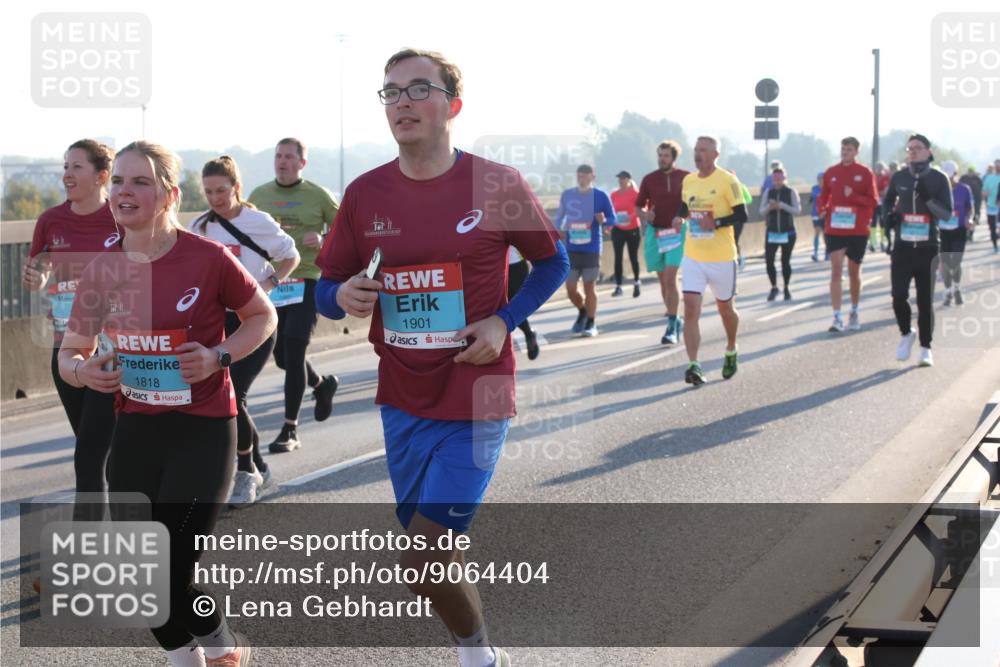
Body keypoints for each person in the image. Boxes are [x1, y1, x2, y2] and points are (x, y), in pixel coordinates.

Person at [314, 48, 567, 667]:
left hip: (478, 395)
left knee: (422, 558)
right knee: (434, 560)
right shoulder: (365, 193)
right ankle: (476, 645)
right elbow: (326, 287)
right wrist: (341, 293)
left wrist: (504, 322)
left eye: (417, 89)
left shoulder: (497, 183)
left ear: (453, 105)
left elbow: (551, 261)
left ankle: (478, 657)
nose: (401, 102)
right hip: (402, 397)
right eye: (390, 92)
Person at [59, 140, 277, 666]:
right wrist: (82, 372)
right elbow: (70, 352)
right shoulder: (102, 270)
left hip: (202, 429)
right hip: (135, 431)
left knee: (172, 567)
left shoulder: (207, 258)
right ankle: (207, 655)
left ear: (168, 195)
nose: (123, 192)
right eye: (118, 182)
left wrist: (219, 356)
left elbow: (262, 317)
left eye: (139, 182)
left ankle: (221, 649)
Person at [191, 156, 300, 507]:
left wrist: (269, 283)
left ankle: (245, 471)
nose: (215, 198)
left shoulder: (257, 221)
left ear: (236, 188)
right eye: (208, 192)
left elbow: (291, 255)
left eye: (221, 190)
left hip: (255, 320)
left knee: (235, 393)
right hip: (219, 321)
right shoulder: (201, 227)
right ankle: (258, 466)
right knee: (226, 394)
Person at [22, 139, 119, 513]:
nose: (66, 174)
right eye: (65, 166)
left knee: (89, 456)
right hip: (65, 346)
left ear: (102, 176)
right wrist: (36, 277)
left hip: (111, 349)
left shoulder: (121, 217)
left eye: (76, 167)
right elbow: (39, 272)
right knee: (90, 444)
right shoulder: (50, 220)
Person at [248, 138, 340, 453]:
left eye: (289, 157)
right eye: (278, 156)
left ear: (302, 163)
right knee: (283, 357)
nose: (282, 162)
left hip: (307, 278)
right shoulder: (259, 195)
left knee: (296, 348)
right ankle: (321, 384)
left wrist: (325, 237)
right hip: (271, 283)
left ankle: (290, 429)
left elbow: (346, 231)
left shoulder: (318, 195)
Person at [670, 136, 747, 386]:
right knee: (690, 309)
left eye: (703, 150)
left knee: (726, 310)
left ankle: (731, 348)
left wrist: (717, 223)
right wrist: (679, 219)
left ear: (715, 154)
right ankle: (694, 364)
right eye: (695, 150)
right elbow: (685, 206)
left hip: (722, 257)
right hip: (694, 256)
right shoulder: (689, 180)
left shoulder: (728, 180)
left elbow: (741, 214)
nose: (698, 154)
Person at [882, 134, 952, 367]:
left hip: (928, 247)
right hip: (902, 247)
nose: (912, 151)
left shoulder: (939, 179)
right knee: (898, 295)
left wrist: (928, 198)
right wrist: (887, 217)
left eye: (917, 148)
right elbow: (887, 201)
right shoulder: (899, 176)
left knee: (925, 301)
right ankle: (906, 333)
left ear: (928, 152)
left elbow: (946, 214)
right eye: (909, 148)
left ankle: (925, 348)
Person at [816, 137, 879, 333]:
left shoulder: (865, 173)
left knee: (854, 272)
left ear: (856, 152)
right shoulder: (831, 172)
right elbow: (823, 196)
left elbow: (874, 201)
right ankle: (836, 316)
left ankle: (854, 310)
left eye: (849, 149)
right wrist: (822, 209)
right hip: (835, 229)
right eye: (843, 149)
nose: (845, 152)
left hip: (858, 229)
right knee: (836, 270)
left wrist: (854, 196)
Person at [635, 140, 689, 344]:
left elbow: (691, 202)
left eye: (666, 155)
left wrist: (683, 217)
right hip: (656, 233)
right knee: (663, 280)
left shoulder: (685, 177)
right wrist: (644, 215)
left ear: (673, 158)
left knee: (670, 277)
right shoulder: (649, 179)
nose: (662, 159)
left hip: (676, 232)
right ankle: (675, 317)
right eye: (660, 155)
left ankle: (671, 325)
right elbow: (638, 207)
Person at [554, 164, 615, 337]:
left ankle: (591, 322)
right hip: (572, 248)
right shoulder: (568, 195)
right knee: (571, 288)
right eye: (579, 176)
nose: (582, 179)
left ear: (592, 177)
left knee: (589, 286)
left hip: (592, 248)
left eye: (586, 176)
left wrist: (604, 221)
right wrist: (558, 229)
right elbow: (559, 215)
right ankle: (582, 311)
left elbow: (613, 218)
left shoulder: (601, 196)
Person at [760, 167, 802, 301]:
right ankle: (773, 287)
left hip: (788, 232)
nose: (777, 182)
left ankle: (786, 287)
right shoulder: (769, 192)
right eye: (775, 179)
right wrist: (770, 207)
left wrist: (782, 206)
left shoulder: (791, 192)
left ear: (784, 179)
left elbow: (797, 211)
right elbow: (761, 211)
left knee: (785, 261)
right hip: (772, 232)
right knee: (769, 261)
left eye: (780, 179)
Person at [937, 160, 974, 307]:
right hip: (943, 230)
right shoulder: (937, 190)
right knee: (946, 263)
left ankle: (957, 287)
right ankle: (948, 292)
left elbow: (970, 208)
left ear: (956, 175)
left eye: (951, 177)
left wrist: (969, 219)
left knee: (956, 261)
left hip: (959, 229)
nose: (949, 180)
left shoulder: (964, 189)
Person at [609, 170, 642, 297]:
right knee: (618, 257)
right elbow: (610, 211)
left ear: (628, 179)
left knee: (633, 257)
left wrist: (631, 216)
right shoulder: (614, 195)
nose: (621, 180)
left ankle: (637, 283)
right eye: (619, 178)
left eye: (623, 178)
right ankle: (618, 286)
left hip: (633, 228)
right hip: (618, 229)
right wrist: (610, 225)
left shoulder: (635, 193)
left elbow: (642, 208)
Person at [507, 246, 540, 359]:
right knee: (500, 306)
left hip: (516, 266)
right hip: (493, 267)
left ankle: (528, 334)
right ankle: (528, 333)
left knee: (513, 306)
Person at [872, 161, 891, 252]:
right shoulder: (873, 177)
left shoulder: (885, 177)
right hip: (874, 203)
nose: (878, 170)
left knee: (883, 222)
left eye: (880, 168)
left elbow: (886, 190)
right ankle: (872, 242)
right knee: (873, 222)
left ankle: (882, 242)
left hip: (883, 202)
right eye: (877, 168)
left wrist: (880, 193)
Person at [982, 159, 1000, 253]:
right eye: (996, 165)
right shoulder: (989, 178)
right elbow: (983, 191)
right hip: (991, 207)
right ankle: (995, 246)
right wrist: (985, 193)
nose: (998, 167)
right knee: (992, 228)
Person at [810, 171, 826, 261]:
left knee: (825, 233)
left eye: (822, 179)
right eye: (819, 179)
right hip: (816, 213)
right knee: (817, 232)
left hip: (825, 214)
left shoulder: (828, 188)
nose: (820, 181)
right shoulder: (814, 188)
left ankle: (827, 253)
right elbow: (812, 199)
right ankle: (815, 252)